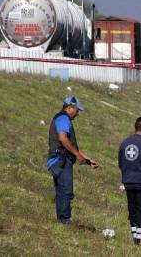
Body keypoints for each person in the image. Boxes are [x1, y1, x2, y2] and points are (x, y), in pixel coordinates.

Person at [47, 96, 99, 224]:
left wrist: (87, 160)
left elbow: (72, 146)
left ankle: (61, 221)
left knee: (61, 191)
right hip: (61, 160)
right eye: (77, 110)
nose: (78, 114)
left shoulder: (61, 118)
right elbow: (63, 139)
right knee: (65, 191)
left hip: (58, 160)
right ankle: (65, 221)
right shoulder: (63, 118)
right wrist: (77, 155)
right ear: (69, 108)